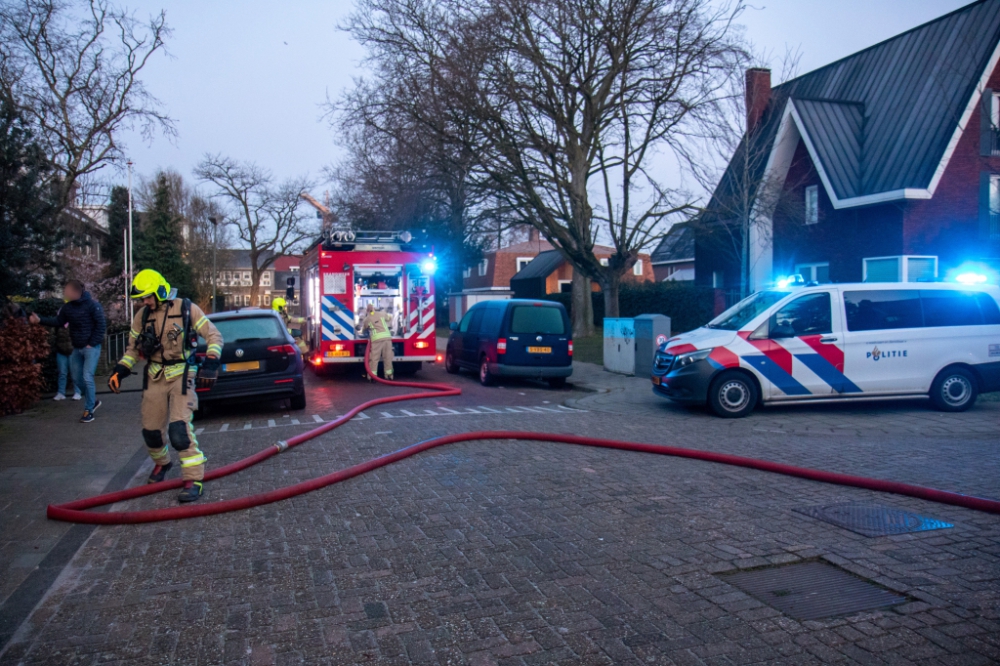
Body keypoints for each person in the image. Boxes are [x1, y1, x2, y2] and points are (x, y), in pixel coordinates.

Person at [107, 269, 224, 503]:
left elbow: (214, 336)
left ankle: (193, 479)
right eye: (142, 298)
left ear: (160, 292)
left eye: (148, 297)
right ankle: (162, 463)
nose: (145, 302)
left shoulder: (186, 308)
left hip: (182, 372)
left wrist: (211, 362)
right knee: (151, 431)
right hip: (154, 374)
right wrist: (120, 370)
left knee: (179, 430)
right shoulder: (142, 316)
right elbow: (132, 349)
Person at [30, 280, 105, 422]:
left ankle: (88, 410)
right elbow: (58, 321)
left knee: (87, 377)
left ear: (76, 292)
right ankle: (93, 400)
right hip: (76, 348)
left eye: (67, 291)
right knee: (77, 378)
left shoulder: (92, 306)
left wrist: (92, 343)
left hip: (91, 348)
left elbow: (101, 325)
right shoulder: (67, 308)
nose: (65, 293)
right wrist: (40, 320)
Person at [360, 302, 393, 380]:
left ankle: (372, 376)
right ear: (374, 308)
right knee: (388, 357)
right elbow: (389, 318)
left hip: (376, 339)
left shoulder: (367, 319)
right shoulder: (382, 314)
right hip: (387, 338)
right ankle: (389, 375)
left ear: (367, 311)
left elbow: (363, 330)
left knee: (374, 358)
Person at [53, 321, 80, 401]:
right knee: (62, 373)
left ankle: (77, 392)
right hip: (61, 351)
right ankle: (61, 393)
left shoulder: (73, 323)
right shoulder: (58, 325)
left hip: (72, 351)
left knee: (74, 373)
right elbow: (55, 336)